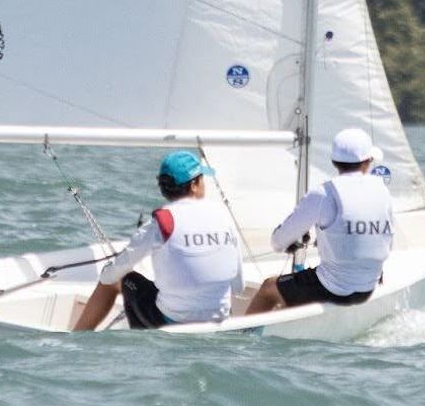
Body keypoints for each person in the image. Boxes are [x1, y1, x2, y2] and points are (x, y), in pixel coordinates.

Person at [73, 150, 244, 331]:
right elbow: (238, 286)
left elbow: (112, 274)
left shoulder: (163, 222)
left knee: (115, 279)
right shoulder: (223, 217)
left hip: (172, 322)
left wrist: (109, 272)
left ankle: (76, 338)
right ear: (194, 184)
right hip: (219, 321)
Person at [245, 126, 394, 315]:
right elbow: (385, 242)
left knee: (268, 288)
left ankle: (242, 338)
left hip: (335, 290)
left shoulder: (324, 193)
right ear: (367, 162)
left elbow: (277, 243)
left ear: (334, 162)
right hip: (371, 285)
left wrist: (290, 240)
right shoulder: (382, 190)